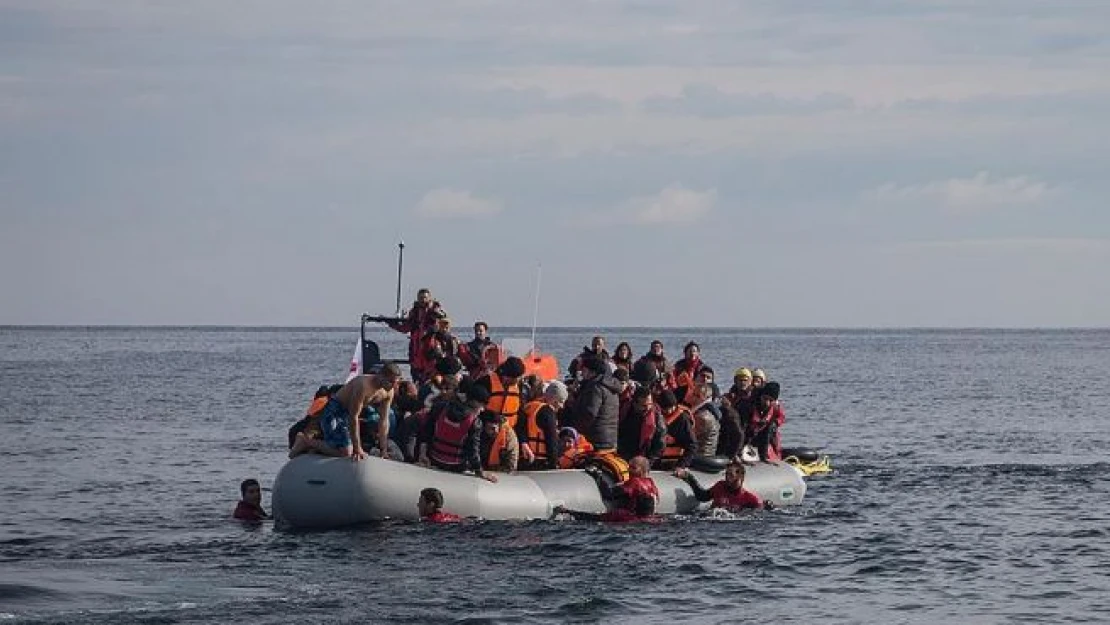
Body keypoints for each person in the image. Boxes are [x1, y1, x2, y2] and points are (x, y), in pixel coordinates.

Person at [289, 363, 402, 461]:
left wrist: (384, 449)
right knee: (347, 452)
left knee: (346, 449)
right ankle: (305, 441)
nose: (393, 386)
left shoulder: (388, 392)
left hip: (348, 415)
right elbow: (354, 417)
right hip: (335, 410)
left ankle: (317, 447)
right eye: (391, 382)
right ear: (381, 376)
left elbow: (384, 420)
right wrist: (358, 449)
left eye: (396, 383)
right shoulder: (363, 385)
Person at [418, 382, 498, 482]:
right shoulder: (475, 422)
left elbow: (426, 431)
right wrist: (479, 471)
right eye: (482, 405)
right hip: (457, 465)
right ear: (474, 402)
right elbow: (473, 450)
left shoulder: (440, 407)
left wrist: (422, 454)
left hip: (434, 458)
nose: (482, 409)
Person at [559, 456, 660, 522]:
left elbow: (609, 494)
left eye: (633, 468)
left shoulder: (635, 482)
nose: (629, 470)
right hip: (648, 520)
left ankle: (567, 512)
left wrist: (597, 477)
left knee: (597, 518)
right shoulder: (651, 483)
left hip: (631, 519)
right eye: (629, 467)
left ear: (642, 470)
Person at [385, 288, 446, 382]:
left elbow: (443, 319)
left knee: (432, 380)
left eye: (425, 298)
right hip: (416, 351)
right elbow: (406, 328)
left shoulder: (435, 310)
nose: (422, 300)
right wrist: (391, 323)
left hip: (431, 351)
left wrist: (434, 312)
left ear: (429, 298)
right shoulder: (414, 312)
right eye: (420, 298)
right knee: (417, 378)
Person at [675, 457, 772, 511]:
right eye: (726, 474)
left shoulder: (750, 498)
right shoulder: (720, 486)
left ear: (740, 477)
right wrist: (688, 477)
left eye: (730, 475)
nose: (726, 477)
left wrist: (767, 505)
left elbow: (759, 510)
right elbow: (702, 497)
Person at [572, 356, 621, 452]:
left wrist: (576, 430)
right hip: (609, 438)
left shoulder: (595, 388)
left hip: (595, 439)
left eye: (584, 370)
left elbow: (589, 414)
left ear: (593, 372)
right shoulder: (610, 386)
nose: (582, 373)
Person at [520, 380, 568, 469]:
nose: (562, 406)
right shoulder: (548, 412)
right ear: (554, 399)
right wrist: (554, 464)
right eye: (561, 401)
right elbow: (551, 441)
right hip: (539, 462)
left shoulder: (529, 406)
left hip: (523, 458)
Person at [656, 390, 697, 470]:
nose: (668, 411)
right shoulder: (656, 416)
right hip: (656, 463)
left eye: (671, 407)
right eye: (665, 408)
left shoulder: (683, 419)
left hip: (675, 464)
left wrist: (681, 465)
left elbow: (692, 445)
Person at [617, 385, 660, 461]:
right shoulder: (624, 410)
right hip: (622, 453)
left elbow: (659, 444)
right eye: (644, 405)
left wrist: (648, 461)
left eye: (650, 404)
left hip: (642, 457)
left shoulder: (656, 417)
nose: (647, 408)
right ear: (635, 403)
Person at [747, 382, 785, 462]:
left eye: (770, 400)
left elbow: (781, 417)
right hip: (749, 436)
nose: (767, 403)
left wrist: (775, 423)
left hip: (767, 435)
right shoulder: (749, 405)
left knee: (772, 432)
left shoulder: (775, 407)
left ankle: (775, 458)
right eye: (765, 399)